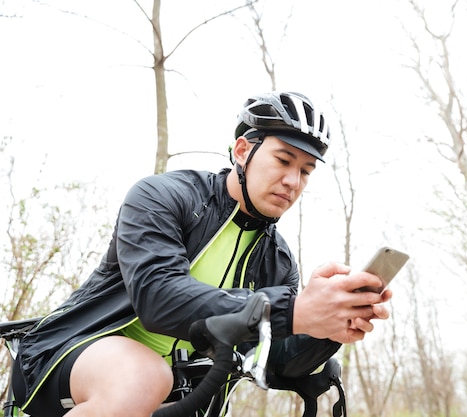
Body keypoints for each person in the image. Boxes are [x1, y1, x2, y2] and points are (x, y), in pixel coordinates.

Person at [11, 91, 392, 417]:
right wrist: (291, 309)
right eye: (283, 160)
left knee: (161, 382)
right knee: (144, 377)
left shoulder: (278, 260)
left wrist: (323, 329)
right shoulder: (163, 196)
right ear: (243, 151)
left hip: (181, 387)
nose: (293, 181)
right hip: (66, 357)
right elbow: (158, 298)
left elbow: (278, 360)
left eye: (306, 171)